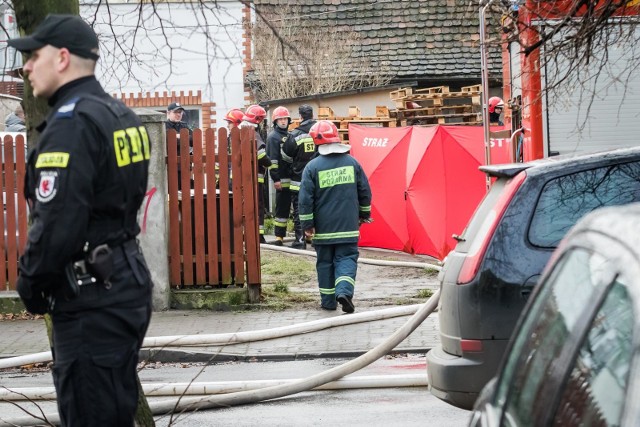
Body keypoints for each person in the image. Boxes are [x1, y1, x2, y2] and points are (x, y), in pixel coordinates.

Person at [9, 14, 153, 426]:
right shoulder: (119, 115)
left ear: (63, 58)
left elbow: (57, 225)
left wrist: (30, 284)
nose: (26, 67)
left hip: (91, 297)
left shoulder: (70, 126)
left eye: (34, 55)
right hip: (123, 281)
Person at [298, 120, 372, 313]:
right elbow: (365, 191)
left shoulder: (312, 168)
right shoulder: (352, 163)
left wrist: (307, 224)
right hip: (348, 226)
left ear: (316, 141)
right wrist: (364, 214)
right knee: (346, 258)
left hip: (323, 229)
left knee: (324, 263)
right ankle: (344, 292)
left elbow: (305, 199)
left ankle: (328, 302)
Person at [283, 104, 317, 249]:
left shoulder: (295, 134)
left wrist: (296, 163)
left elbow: (285, 155)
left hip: (299, 179)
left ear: (300, 117)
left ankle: (300, 240)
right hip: (318, 179)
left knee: (299, 209)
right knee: (318, 208)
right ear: (312, 115)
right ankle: (318, 240)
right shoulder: (320, 130)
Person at [240, 104, 271, 243]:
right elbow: (261, 155)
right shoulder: (253, 132)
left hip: (242, 177)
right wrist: (269, 163)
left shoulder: (240, 130)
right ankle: (259, 236)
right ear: (258, 119)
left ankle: (246, 234)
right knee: (258, 206)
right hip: (255, 178)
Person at [266, 106, 293, 246]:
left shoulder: (290, 135)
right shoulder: (273, 137)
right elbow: (273, 160)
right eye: (280, 119)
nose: (283, 121)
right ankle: (279, 237)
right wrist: (276, 179)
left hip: (293, 179)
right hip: (281, 179)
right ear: (275, 122)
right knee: (282, 208)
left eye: (285, 119)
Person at [166, 101, 193, 187]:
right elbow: (168, 142)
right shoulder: (164, 126)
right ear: (168, 113)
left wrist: (178, 137)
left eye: (180, 112)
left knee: (185, 192)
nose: (179, 114)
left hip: (184, 166)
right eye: (176, 112)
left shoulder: (184, 126)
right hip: (169, 167)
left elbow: (193, 140)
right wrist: (183, 138)